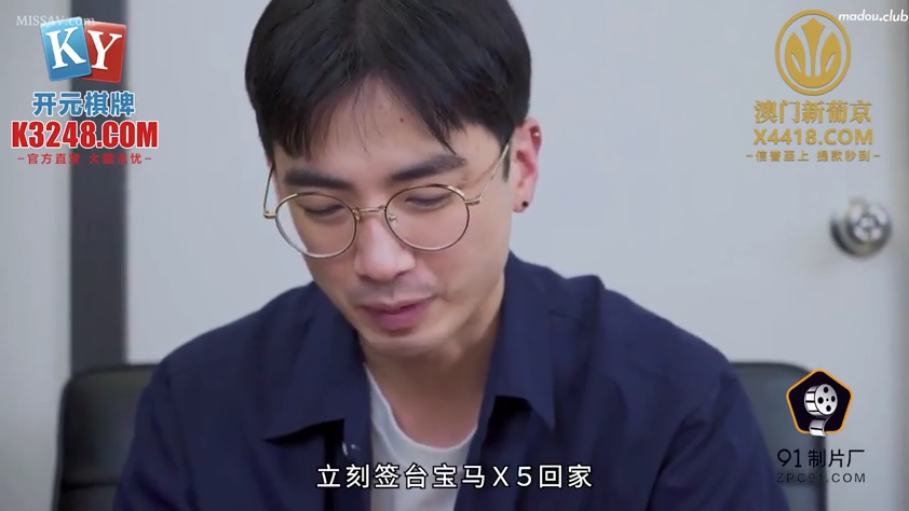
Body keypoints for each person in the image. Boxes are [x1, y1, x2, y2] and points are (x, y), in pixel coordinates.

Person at [114, 0, 789, 509]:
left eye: (428, 198)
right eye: (322, 208)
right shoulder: (198, 404)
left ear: (521, 166)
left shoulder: (672, 409)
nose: (378, 261)